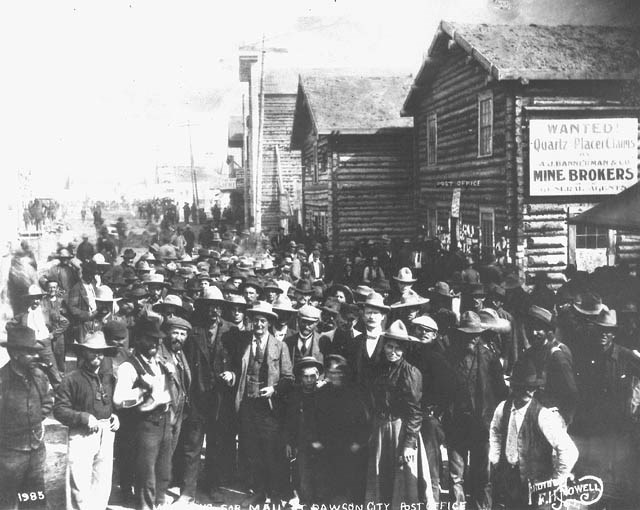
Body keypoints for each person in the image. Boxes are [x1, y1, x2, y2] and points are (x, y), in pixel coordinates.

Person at [364, 320, 435, 508]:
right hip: (381, 428)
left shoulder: (410, 373)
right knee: (380, 481)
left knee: (403, 482)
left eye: (397, 348)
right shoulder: (379, 369)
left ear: (404, 350)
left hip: (401, 429)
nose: (392, 352)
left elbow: (414, 412)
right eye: (389, 346)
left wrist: (409, 444)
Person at [489, 359, 578, 509]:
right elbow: (495, 431)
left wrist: (556, 480)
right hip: (509, 482)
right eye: (522, 388)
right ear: (513, 387)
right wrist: (496, 459)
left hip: (538, 488)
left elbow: (569, 451)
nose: (528, 392)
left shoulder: (543, 415)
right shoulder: (503, 408)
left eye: (531, 388)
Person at [233, 301, 294, 506]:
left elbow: (288, 377)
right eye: (256, 320)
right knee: (252, 450)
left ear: (269, 323)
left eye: (263, 321)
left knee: (271, 452)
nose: (259, 324)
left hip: (269, 408)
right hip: (248, 405)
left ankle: (274, 493)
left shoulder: (280, 345)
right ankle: (258, 492)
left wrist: (274, 390)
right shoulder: (243, 342)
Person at [175, 286, 233, 504]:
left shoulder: (231, 331)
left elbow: (238, 362)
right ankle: (187, 490)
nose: (213, 311)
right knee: (192, 446)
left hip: (219, 399)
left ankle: (213, 487)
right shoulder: (193, 330)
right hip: (197, 398)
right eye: (209, 306)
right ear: (203, 307)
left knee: (217, 445)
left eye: (217, 306)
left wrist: (233, 374)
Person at [445, 311, 508, 510]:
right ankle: (458, 506)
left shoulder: (490, 357)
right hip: (457, 423)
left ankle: (482, 507)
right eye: (466, 334)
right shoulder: (450, 356)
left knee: (483, 474)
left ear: (480, 334)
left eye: (474, 334)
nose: (471, 338)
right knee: (456, 474)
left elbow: (501, 392)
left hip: (483, 424)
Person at [53, 332, 120, 510]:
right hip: (82, 434)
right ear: (83, 353)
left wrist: (114, 415)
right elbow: (59, 410)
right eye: (92, 351)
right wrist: (82, 417)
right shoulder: (72, 379)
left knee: (102, 480)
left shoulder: (108, 377)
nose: (97, 355)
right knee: (79, 483)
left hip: (106, 433)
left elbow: (110, 402)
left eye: (100, 352)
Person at [113, 317, 174, 510]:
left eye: (157, 339)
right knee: (146, 473)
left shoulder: (159, 362)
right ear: (138, 339)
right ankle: (145, 506)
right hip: (146, 423)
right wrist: (141, 392)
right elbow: (118, 400)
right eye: (149, 339)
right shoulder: (129, 367)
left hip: (164, 421)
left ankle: (159, 502)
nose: (154, 343)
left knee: (163, 469)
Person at [0, 325, 54, 510]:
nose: (37, 356)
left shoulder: (39, 376)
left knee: (34, 498)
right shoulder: (2, 381)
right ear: (15, 354)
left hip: (36, 450)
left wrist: (35, 421)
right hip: (9, 455)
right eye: (30, 353)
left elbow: (47, 402)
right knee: (7, 501)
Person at [409, 315, 454, 506]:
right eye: (419, 329)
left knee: (430, 466)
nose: (423, 333)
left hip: (427, 417)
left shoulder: (437, 358)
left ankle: (432, 503)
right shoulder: (408, 354)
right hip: (410, 416)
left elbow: (450, 388)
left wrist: (437, 411)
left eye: (427, 331)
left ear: (435, 335)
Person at [313, 354, 370, 504]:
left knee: (351, 485)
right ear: (327, 374)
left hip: (350, 446)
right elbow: (313, 418)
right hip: (327, 446)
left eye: (339, 372)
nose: (336, 376)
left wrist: (359, 442)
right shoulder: (322, 393)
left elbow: (364, 420)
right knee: (329, 485)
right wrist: (315, 440)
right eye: (332, 373)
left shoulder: (355, 392)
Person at [520, 305, 577, 425]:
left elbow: (571, 392)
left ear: (547, 331)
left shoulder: (556, 355)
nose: (533, 333)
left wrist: (564, 419)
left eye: (538, 329)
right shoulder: (530, 353)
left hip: (552, 417)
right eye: (529, 328)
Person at [285, 356, 324, 506]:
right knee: (302, 472)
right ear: (300, 378)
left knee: (320, 473)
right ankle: (303, 499)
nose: (309, 380)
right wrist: (289, 442)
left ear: (317, 376)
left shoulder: (322, 394)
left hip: (319, 441)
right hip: (301, 441)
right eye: (305, 377)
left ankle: (318, 501)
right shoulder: (295, 395)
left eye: (312, 377)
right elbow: (289, 421)